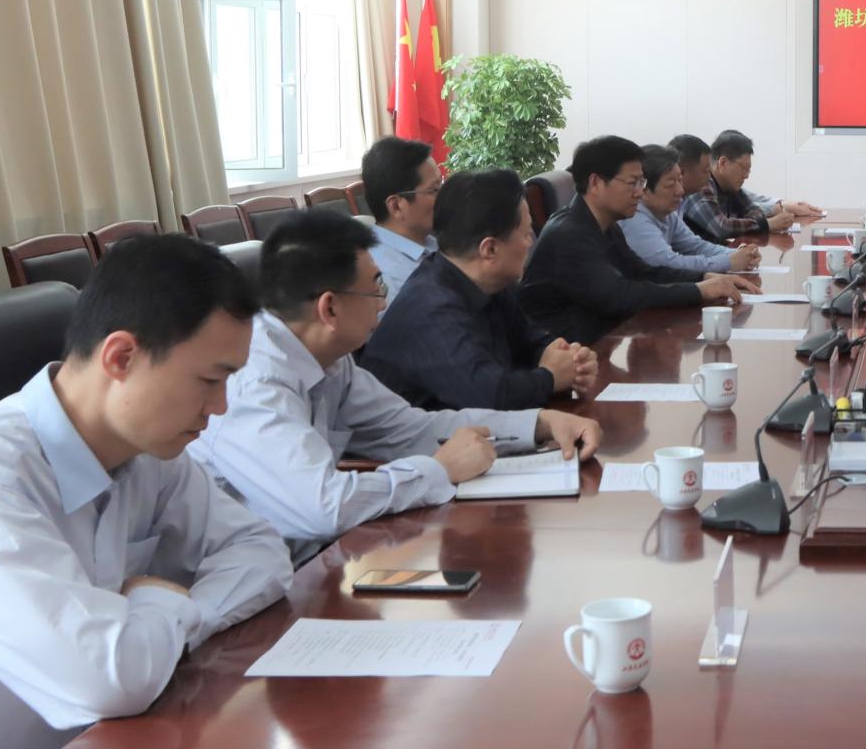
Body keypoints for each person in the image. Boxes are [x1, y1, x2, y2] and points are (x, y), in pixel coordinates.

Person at [0, 236, 293, 749]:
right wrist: (157, 609)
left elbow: (261, 549)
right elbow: (107, 680)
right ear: (121, 357)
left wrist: (170, 615)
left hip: (134, 741)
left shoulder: (149, 452)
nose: (220, 406)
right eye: (209, 379)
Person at [190, 212, 603, 562]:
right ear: (329, 307)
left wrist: (539, 424)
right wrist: (439, 470)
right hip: (246, 583)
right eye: (376, 289)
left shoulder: (329, 360)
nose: (384, 303)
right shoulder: (255, 384)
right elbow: (324, 507)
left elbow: (411, 428)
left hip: (312, 562)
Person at [364, 169, 600, 410]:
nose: (531, 242)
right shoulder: (431, 308)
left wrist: (567, 357)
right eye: (526, 233)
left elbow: (530, 339)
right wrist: (550, 378)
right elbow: (490, 396)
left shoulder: (490, 282)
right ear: (490, 250)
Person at [521, 137, 752, 344]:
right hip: (562, 357)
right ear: (596, 183)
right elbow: (620, 296)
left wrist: (704, 277)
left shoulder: (606, 225)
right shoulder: (569, 235)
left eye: (642, 183)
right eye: (633, 183)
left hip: (595, 345)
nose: (640, 193)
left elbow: (643, 272)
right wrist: (698, 291)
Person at [621, 143, 760, 276]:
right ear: (643, 189)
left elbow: (695, 246)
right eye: (670, 184)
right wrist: (728, 262)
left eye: (680, 180)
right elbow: (669, 264)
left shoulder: (666, 213)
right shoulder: (634, 218)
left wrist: (739, 254)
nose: (680, 191)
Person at [683, 129, 820, 239]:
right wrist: (767, 224)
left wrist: (756, 222)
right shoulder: (701, 184)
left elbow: (754, 210)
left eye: (748, 170)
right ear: (723, 163)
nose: (747, 175)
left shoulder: (730, 187)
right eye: (744, 168)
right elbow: (721, 227)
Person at [362, 136, 441, 296]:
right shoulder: (389, 279)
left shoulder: (432, 243)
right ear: (396, 206)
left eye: (442, 184)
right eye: (434, 190)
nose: (444, 196)